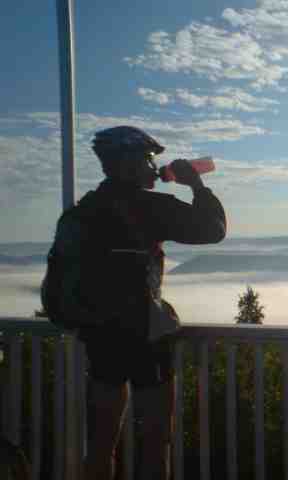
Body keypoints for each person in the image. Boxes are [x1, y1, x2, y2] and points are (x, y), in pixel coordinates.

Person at [81, 126, 226, 480]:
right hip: (146, 338)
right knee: (155, 442)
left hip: (101, 338)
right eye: (148, 158)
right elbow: (213, 229)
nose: (153, 166)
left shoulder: (87, 208)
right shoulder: (150, 207)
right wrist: (195, 184)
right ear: (128, 163)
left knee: (100, 444)